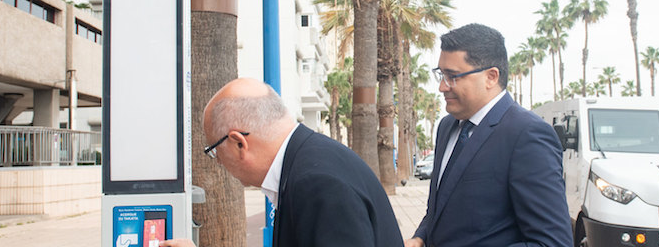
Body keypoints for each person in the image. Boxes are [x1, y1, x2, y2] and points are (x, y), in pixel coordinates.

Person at [162, 78, 403, 247]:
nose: (219, 163)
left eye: (215, 151)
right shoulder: (310, 162)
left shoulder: (316, 183)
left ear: (238, 143)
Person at [406, 23, 572, 247]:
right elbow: (440, 206)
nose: (442, 87)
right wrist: (420, 237)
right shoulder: (446, 127)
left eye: (452, 76)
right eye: (441, 75)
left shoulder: (527, 134)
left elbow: (553, 242)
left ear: (491, 77)